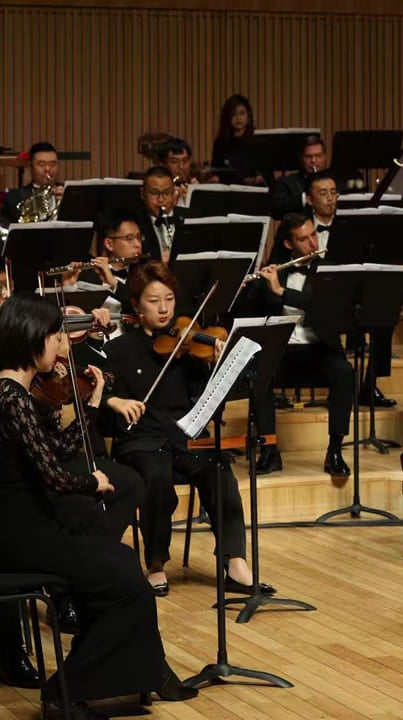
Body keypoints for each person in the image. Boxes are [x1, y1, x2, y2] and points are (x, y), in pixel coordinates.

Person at [0, 292, 197, 716]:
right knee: (126, 583)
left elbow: (56, 448)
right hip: (22, 535)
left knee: (119, 566)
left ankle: (139, 673)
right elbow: (54, 474)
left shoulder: (16, 394)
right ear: (33, 337)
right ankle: (68, 690)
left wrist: (91, 402)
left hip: (31, 524)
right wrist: (92, 482)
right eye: (57, 336)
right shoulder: (10, 397)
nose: (63, 345)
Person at [103, 261, 272, 598]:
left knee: (220, 470)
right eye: (153, 301)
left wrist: (218, 367)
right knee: (156, 476)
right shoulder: (119, 350)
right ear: (136, 305)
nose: (164, 308)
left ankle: (235, 561)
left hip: (186, 439)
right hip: (141, 442)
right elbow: (101, 397)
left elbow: (212, 406)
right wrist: (115, 401)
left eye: (169, 299)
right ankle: (155, 563)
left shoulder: (190, 350)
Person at [246, 214, 353, 477]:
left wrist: (283, 293)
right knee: (258, 373)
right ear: (288, 244)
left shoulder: (329, 271)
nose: (313, 243)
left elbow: (323, 307)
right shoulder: (274, 272)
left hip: (320, 351)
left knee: (344, 373)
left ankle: (335, 450)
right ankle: (269, 450)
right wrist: (254, 285)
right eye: (304, 239)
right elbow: (251, 312)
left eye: (313, 235)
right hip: (283, 352)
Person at [2, 142, 62, 225]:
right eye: (41, 164)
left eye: (52, 164)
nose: (47, 169)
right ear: (31, 166)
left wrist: (69, 202)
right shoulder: (14, 197)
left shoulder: (68, 192)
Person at [270, 134, 328, 219]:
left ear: (325, 157)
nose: (313, 160)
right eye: (308, 157)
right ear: (301, 158)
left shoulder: (335, 181)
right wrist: (306, 197)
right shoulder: (286, 183)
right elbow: (277, 208)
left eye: (318, 156)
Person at [210, 94, 263, 185]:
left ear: (248, 115)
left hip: (255, 188)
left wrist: (257, 178)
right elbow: (216, 170)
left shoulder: (258, 140)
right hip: (229, 189)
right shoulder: (220, 143)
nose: (238, 118)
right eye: (233, 114)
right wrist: (215, 178)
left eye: (241, 113)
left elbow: (265, 171)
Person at [136, 166, 177, 262]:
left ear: (174, 193)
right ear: (142, 194)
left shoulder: (191, 218)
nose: (161, 200)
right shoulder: (134, 223)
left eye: (167, 193)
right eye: (154, 193)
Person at [156, 138, 200, 203]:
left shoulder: (195, 187)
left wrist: (197, 196)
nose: (181, 167)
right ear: (163, 164)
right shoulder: (156, 192)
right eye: (175, 161)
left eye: (185, 161)